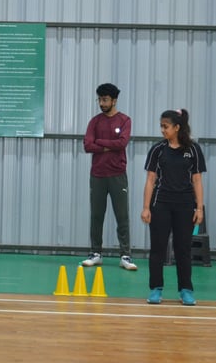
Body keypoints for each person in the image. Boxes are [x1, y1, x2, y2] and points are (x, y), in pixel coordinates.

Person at [141, 109, 206, 306]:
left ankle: (186, 290)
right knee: (158, 248)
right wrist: (146, 207)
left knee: (183, 249)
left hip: (185, 206)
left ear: (177, 127)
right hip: (160, 204)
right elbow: (150, 180)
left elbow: (197, 180)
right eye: (161, 126)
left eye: (166, 126)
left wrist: (199, 208)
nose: (162, 130)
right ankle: (156, 288)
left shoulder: (193, 149)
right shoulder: (158, 149)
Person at [81, 83, 136, 271]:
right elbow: (87, 145)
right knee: (96, 215)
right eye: (99, 100)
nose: (101, 103)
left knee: (122, 216)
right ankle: (95, 253)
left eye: (105, 100)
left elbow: (122, 143)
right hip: (97, 175)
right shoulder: (94, 122)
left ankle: (125, 255)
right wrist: (108, 145)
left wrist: (100, 142)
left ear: (114, 100)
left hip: (118, 175)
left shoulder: (125, 120)